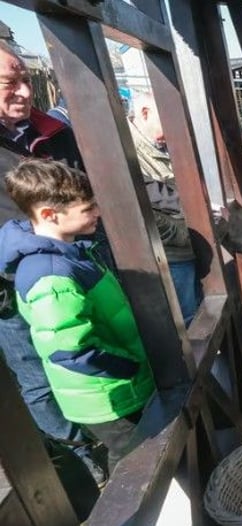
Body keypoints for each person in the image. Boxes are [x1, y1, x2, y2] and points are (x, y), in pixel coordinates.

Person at [0, 160, 156, 473]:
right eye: (87, 208)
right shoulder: (51, 275)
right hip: (105, 394)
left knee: (138, 451)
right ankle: (129, 516)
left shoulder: (69, 251)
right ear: (49, 215)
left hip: (117, 386)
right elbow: (70, 350)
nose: (97, 212)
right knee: (134, 462)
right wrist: (128, 365)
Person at [0, 41, 106, 487]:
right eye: (11, 82)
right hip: (13, 287)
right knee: (38, 376)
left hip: (78, 265)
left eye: (26, 79)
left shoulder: (54, 134)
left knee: (90, 347)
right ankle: (82, 460)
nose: (24, 91)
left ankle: (109, 432)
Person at [129, 94, 202, 325]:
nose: (172, 129)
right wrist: (191, 221)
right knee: (189, 322)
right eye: (167, 120)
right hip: (170, 254)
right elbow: (151, 204)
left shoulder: (166, 145)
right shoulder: (128, 151)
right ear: (145, 113)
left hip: (187, 247)